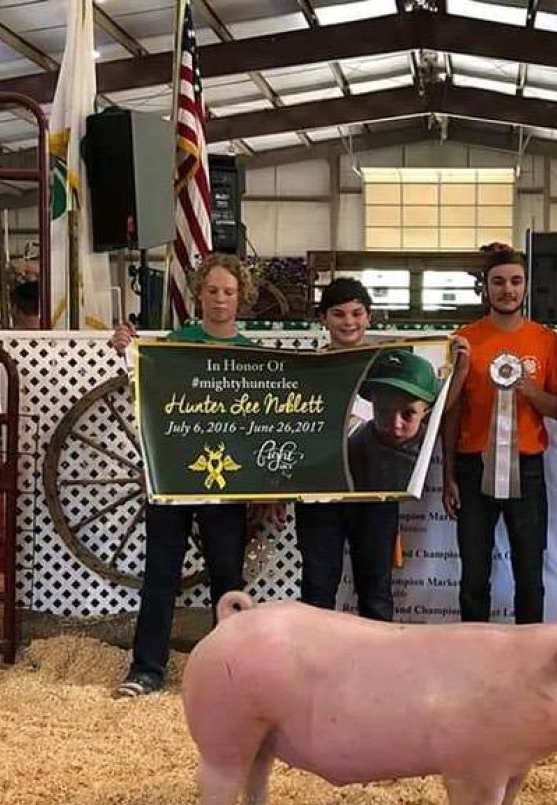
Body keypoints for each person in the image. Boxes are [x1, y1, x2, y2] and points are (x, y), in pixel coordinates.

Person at [109, 252, 280, 698]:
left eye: (228, 292)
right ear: (198, 295)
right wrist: (126, 349)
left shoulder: (252, 356)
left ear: (241, 298)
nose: (220, 300)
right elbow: (144, 396)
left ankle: (232, 671)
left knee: (227, 574)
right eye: (212, 291)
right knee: (160, 574)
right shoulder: (171, 346)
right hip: (173, 479)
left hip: (228, 483)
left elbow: (262, 424)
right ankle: (147, 669)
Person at [442, 243, 557, 625]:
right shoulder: (464, 340)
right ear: (485, 288)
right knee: (472, 577)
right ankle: (472, 658)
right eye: (498, 282)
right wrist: (448, 474)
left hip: (527, 470)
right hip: (471, 470)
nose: (507, 290)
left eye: (516, 281)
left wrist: (531, 391)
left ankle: (529, 658)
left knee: (530, 576)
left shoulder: (546, 341)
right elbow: (451, 414)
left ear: (527, 287)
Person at [294, 278, 401, 621]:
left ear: (369, 317)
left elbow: (426, 409)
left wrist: (455, 366)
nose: (348, 322)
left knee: (376, 589)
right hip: (319, 491)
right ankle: (314, 669)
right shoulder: (307, 370)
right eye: (338, 314)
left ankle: (376, 671)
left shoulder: (389, 367)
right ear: (323, 318)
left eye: (357, 313)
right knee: (317, 586)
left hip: (376, 490)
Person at [347, 346, 440, 494]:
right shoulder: (351, 451)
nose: (395, 424)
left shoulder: (439, 451)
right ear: (372, 403)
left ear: (426, 411)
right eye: (383, 411)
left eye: (408, 414)